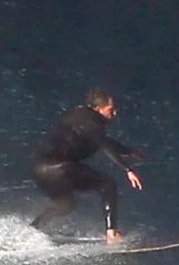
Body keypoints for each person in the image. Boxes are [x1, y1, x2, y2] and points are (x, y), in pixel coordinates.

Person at [29, 89, 144, 243]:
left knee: (66, 204)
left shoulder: (80, 117)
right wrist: (128, 169)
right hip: (60, 168)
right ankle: (112, 234)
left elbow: (102, 141)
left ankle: (32, 230)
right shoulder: (92, 123)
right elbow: (103, 145)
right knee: (107, 184)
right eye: (110, 109)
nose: (114, 113)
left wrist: (128, 151)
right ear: (98, 109)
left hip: (40, 171)